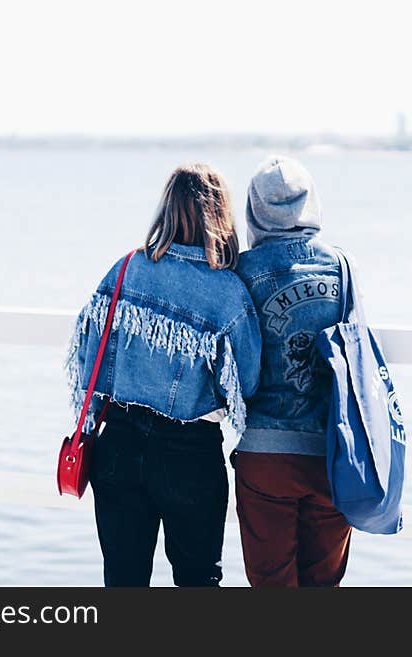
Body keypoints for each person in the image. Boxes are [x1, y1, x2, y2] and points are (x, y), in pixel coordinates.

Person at [66, 163, 262, 587]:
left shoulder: (125, 270)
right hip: (189, 452)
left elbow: (87, 357)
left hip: (116, 443)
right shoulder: (228, 294)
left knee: (123, 579)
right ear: (221, 217)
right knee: (197, 581)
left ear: (166, 211)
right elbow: (245, 387)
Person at [233, 155, 353, 587]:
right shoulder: (341, 268)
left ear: (253, 210)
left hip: (265, 455)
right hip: (332, 455)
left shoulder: (242, 272)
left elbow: (235, 366)